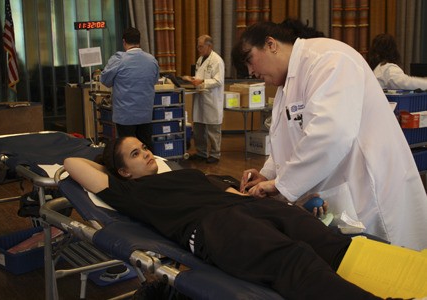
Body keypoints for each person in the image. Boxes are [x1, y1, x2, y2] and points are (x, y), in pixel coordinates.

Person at [64, 136, 394, 300]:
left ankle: (383, 274)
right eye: (135, 154)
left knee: (317, 235)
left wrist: (275, 205)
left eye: (144, 147)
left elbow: (227, 192)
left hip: (239, 207)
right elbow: (72, 163)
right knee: (293, 259)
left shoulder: (180, 174)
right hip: (212, 226)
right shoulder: (129, 192)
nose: (147, 153)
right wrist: (109, 167)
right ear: (122, 171)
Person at [234, 20, 427, 251]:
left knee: (390, 264)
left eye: (249, 60)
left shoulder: (330, 60)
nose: (251, 71)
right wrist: (267, 174)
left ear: (270, 44)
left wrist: (281, 184)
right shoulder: (287, 84)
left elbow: (331, 133)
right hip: (337, 192)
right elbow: (287, 138)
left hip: (369, 188)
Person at [100, 27, 159, 150]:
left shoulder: (119, 59)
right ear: (139, 41)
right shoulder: (152, 60)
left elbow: (105, 81)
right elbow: (154, 81)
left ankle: (131, 170)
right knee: (146, 147)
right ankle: (151, 168)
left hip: (125, 116)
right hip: (145, 114)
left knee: (128, 150)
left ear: (124, 42)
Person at [187, 35, 225, 164]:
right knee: (198, 129)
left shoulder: (217, 61)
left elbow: (218, 81)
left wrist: (202, 81)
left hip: (212, 99)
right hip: (200, 98)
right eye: (198, 46)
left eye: (201, 46)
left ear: (209, 46)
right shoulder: (200, 60)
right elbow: (200, 76)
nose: (198, 49)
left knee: (213, 130)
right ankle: (201, 153)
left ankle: (215, 154)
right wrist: (192, 79)